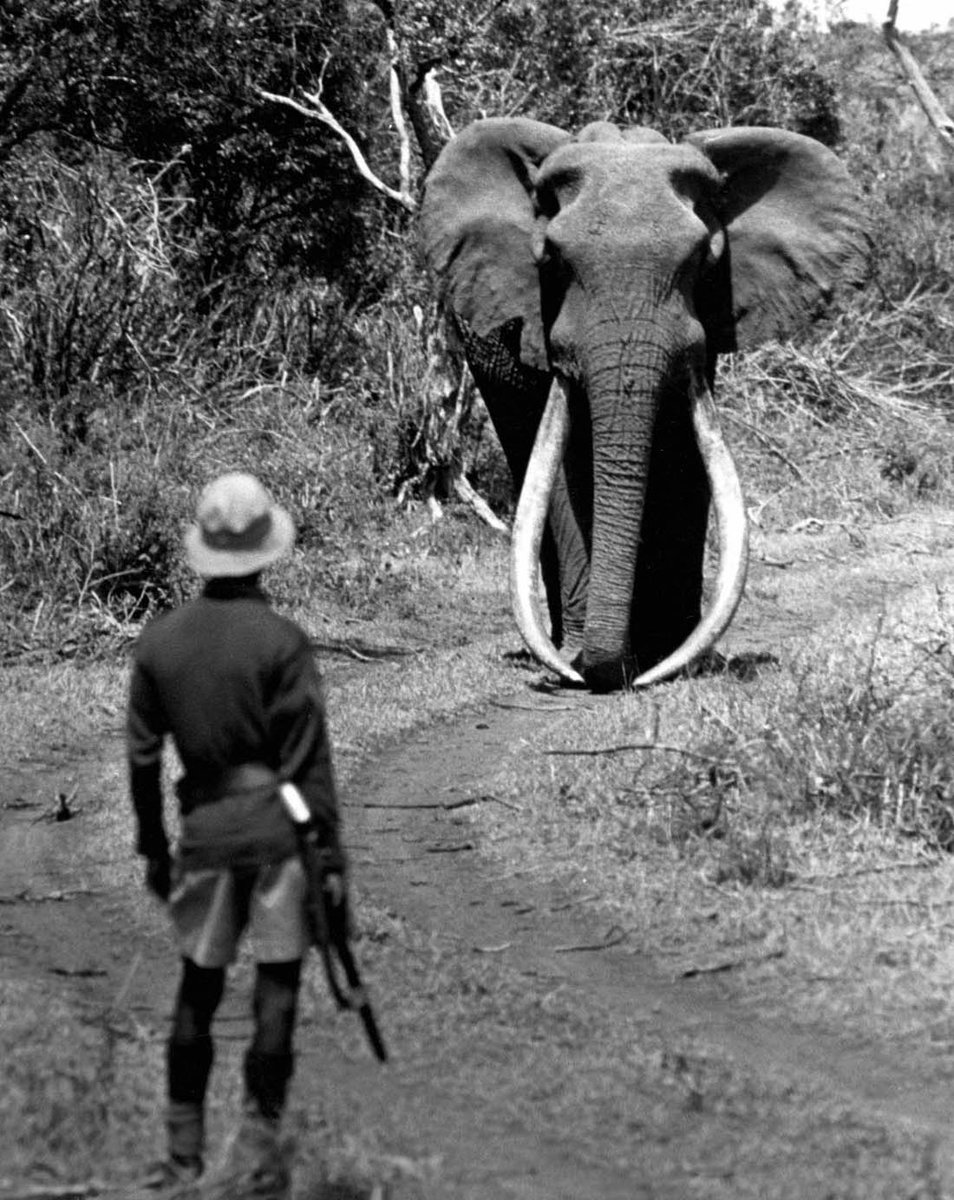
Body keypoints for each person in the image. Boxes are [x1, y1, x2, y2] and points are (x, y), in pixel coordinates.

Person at [126, 471, 347, 1197]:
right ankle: (258, 1153)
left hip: (206, 831)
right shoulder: (282, 642)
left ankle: (182, 1154)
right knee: (276, 988)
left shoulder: (160, 645)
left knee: (197, 987)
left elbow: (143, 756)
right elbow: (307, 763)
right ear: (265, 551)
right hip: (278, 832)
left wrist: (154, 846)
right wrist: (331, 859)